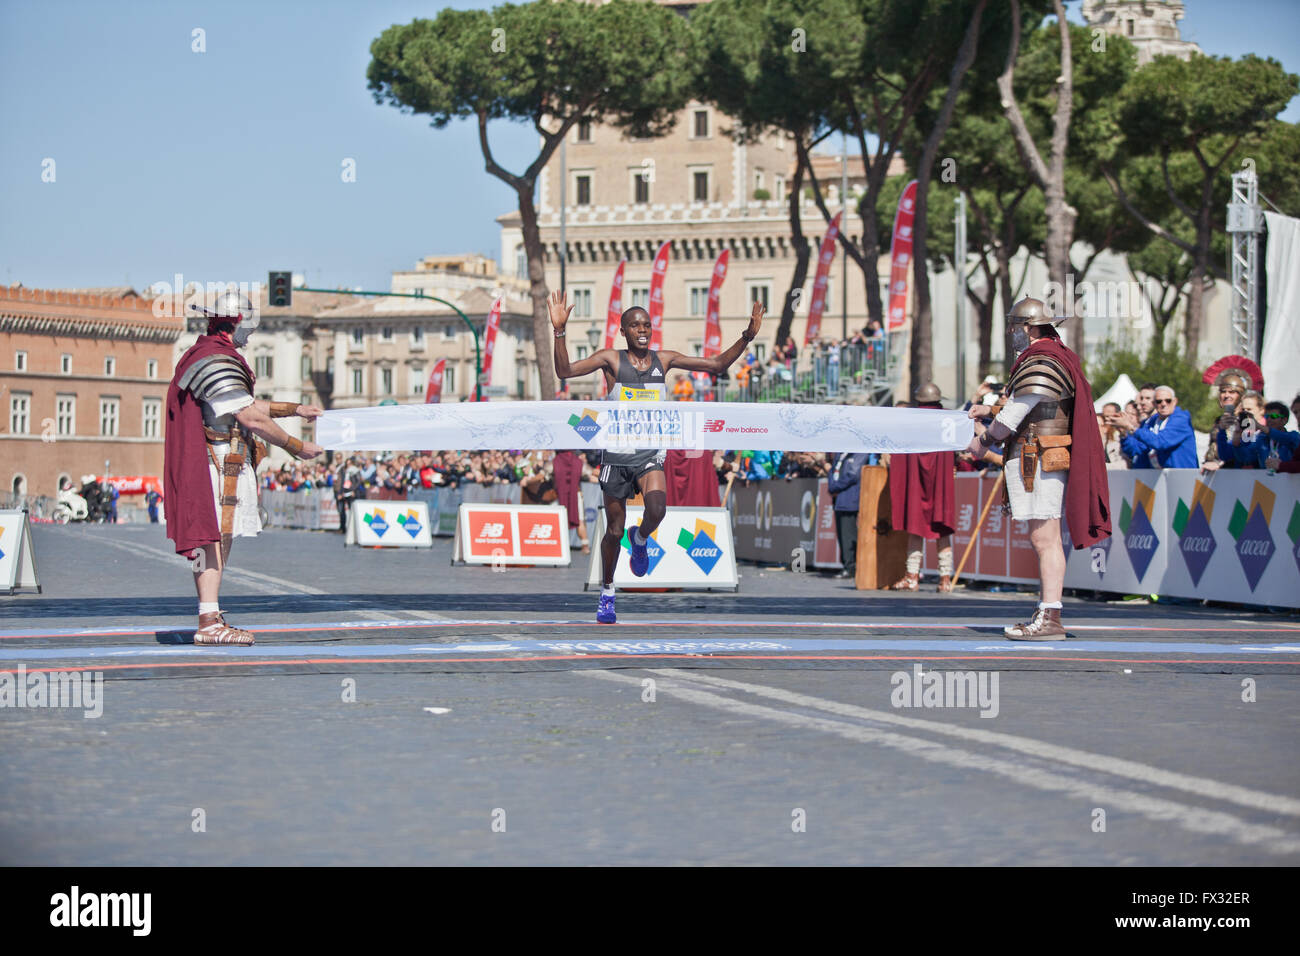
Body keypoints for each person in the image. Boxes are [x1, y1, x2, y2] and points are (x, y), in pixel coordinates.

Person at [551, 289, 763, 624]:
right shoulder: (610, 359)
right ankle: (607, 592)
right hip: (616, 456)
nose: (642, 330)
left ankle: (641, 537)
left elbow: (717, 365)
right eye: (635, 326)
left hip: (649, 453)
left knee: (657, 509)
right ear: (624, 331)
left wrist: (747, 337)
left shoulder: (664, 360)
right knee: (613, 531)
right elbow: (564, 371)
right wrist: (560, 331)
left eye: (647, 325)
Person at [165, 290, 324, 645]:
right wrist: (296, 447)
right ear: (235, 323)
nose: (250, 336)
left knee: (218, 539)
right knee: (212, 539)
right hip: (220, 463)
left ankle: (211, 614)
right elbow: (249, 415)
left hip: (225, 459)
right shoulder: (215, 359)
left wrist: (296, 409)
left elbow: (246, 402)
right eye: (247, 328)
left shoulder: (211, 354)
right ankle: (208, 621)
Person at [965, 297, 1110, 640]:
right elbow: (1034, 406)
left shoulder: (1042, 357)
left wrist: (983, 440)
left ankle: (1051, 616)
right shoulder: (1054, 354)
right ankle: (1048, 611)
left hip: (1040, 456)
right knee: (1044, 538)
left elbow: (1019, 410)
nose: (1013, 333)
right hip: (1040, 454)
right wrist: (989, 413)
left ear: (1028, 327)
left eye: (1016, 326)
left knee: (1045, 539)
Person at [888, 383, 956, 592]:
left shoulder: (912, 420)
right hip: (941, 481)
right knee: (941, 527)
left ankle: (912, 576)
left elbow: (899, 451)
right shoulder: (949, 419)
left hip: (917, 481)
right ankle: (945, 579)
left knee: (916, 527)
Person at [1116, 385, 1197, 468]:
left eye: (1168, 401)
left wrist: (1131, 427)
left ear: (1175, 401)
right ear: (1154, 403)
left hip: (1183, 474)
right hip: (1159, 476)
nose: (1163, 404)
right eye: (1159, 401)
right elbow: (1137, 449)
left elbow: (1161, 442)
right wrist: (1124, 434)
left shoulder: (1181, 419)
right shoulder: (1151, 422)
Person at [828, 452, 868, 580]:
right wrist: (832, 486)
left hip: (850, 497)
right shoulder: (840, 453)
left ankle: (851, 567)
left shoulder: (859, 453)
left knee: (848, 534)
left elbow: (853, 474)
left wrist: (836, 486)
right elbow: (833, 470)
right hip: (839, 498)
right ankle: (846, 564)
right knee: (842, 534)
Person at [552, 449, 591, 554]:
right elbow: (589, 473)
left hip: (559, 495)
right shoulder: (578, 462)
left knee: (558, 520)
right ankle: (585, 545)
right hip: (575, 494)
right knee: (579, 520)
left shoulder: (554, 461)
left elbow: (544, 473)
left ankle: (556, 545)